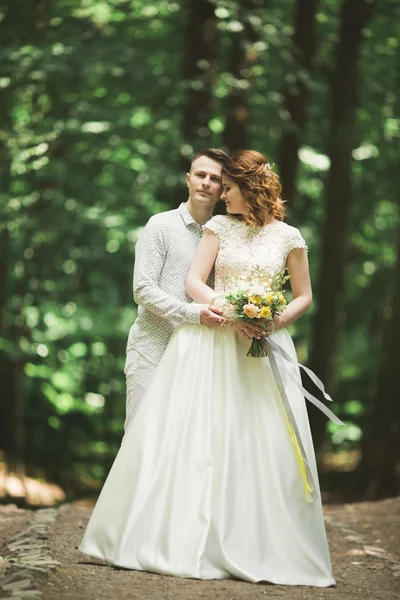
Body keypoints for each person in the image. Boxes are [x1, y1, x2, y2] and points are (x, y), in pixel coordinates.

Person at [80, 150, 336, 587]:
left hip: (259, 341)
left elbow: (303, 294)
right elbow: (190, 283)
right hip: (204, 343)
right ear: (188, 178)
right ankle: (154, 532)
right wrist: (231, 309)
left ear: (245, 189)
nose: (217, 192)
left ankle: (250, 537)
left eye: (225, 185)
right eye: (206, 179)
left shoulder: (289, 236)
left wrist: (271, 320)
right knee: (170, 438)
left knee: (254, 439)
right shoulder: (202, 227)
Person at [124, 148, 233, 429]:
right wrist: (193, 313)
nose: (206, 182)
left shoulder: (225, 236)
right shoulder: (160, 225)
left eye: (215, 178)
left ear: (223, 188)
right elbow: (142, 289)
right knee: (141, 440)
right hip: (152, 349)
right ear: (188, 179)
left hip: (198, 357)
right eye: (200, 175)